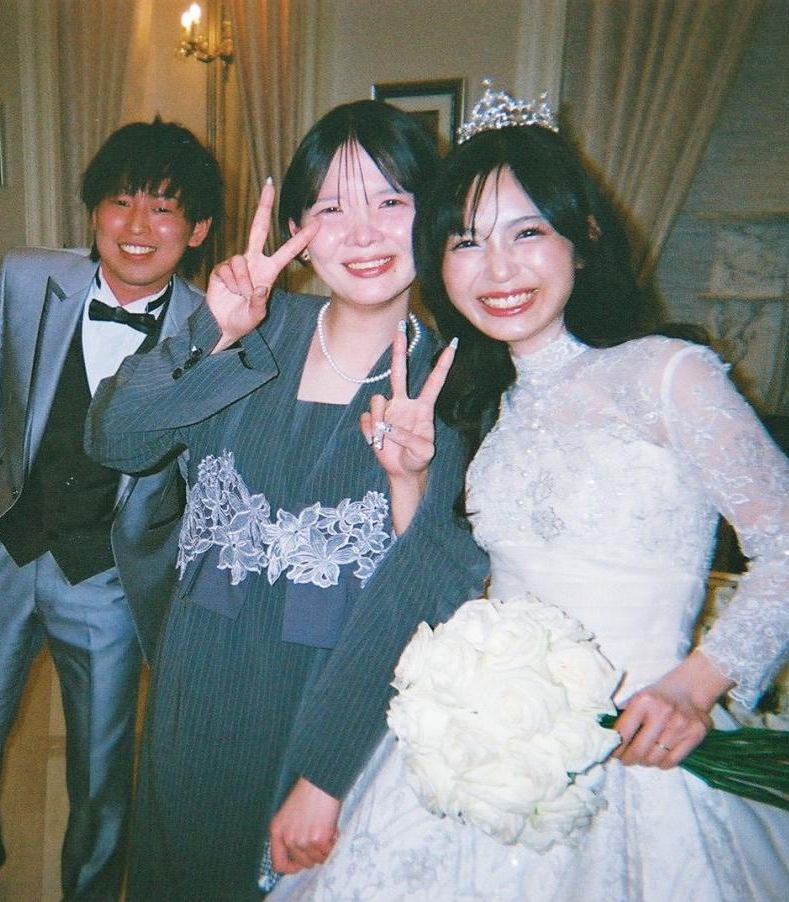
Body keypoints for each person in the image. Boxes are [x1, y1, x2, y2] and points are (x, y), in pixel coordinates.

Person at [273, 85, 789, 900]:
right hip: (490, 746)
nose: (498, 270)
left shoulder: (667, 374)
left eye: (527, 233)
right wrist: (408, 484)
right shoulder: (484, 405)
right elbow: (459, 587)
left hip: (642, 744)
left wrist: (695, 685)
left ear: (583, 240)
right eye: (466, 242)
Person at [85, 100, 487, 901]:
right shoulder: (253, 330)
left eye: (391, 201)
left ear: (433, 213)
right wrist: (211, 332)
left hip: (334, 703)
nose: (362, 234)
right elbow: (115, 439)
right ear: (297, 227)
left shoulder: (459, 383)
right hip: (196, 686)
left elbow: (434, 595)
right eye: (331, 208)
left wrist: (327, 772)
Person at [0, 118, 224, 902]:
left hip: (111, 572)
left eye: (163, 209)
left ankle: (90, 888)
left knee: (102, 761)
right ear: (93, 210)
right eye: (121, 201)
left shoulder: (216, 326)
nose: (137, 226)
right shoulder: (25, 278)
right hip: (6, 543)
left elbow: (215, 472)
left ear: (198, 230)